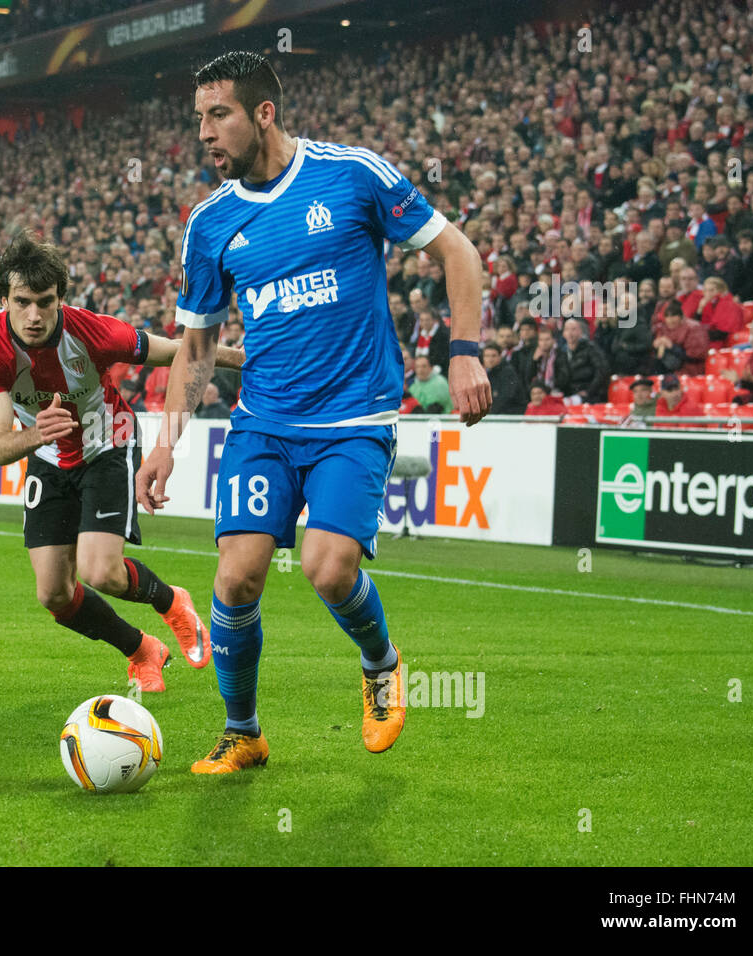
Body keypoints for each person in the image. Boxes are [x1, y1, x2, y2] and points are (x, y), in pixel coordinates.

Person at [134, 52, 490, 773]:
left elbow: (457, 251)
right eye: (198, 118)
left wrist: (465, 350)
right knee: (235, 578)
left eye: (218, 115)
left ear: (264, 112)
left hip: (353, 418)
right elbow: (197, 347)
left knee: (328, 570)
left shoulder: (353, 175)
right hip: (264, 423)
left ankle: (381, 663)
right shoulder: (210, 225)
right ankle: (244, 733)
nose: (203, 133)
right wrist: (166, 441)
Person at [0, 231, 244, 692]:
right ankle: (141, 649)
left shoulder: (91, 331)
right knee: (53, 594)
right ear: (2, 300)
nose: (33, 315)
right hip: (48, 456)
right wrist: (39, 434)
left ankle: (172, 601)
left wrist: (247, 359)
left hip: (106, 444)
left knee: (101, 572)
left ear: (61, 300)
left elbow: (179, 351)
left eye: (44, 302)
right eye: (21, 302)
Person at [482, 343, 527, 414]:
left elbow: (505, 398)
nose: (490, 359)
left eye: (493, 356)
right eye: (487, 356)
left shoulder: (508, 372)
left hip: (511, 415)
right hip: (499, 414)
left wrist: (489, 413)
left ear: (500, 357)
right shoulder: (489, 373)